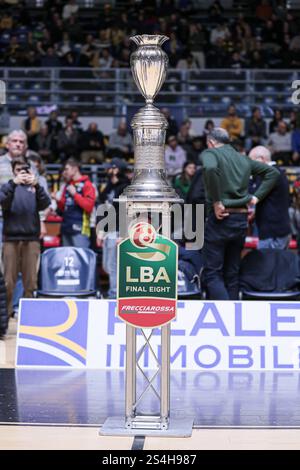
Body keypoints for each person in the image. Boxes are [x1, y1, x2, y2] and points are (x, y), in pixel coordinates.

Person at [201, 128, 279, 300]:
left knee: (212, 273)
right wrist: (256, 197)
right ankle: (234, 320)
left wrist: (216, 201)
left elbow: (210, 169)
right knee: (232, 273)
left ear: (211, 142)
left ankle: (225, 317)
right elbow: (272, 172)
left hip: (221, 218)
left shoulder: (210, 154)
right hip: (241, 219)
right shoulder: (243, 159)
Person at [0, 157, 51, 316]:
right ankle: (4, 321)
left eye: (25, 169)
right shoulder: (8, 187)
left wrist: (37, 186)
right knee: (8, 283)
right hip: (11, 240)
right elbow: (2, 201)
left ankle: (29, 320)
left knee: (31, 283)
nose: (22, 173)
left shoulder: (35, 187)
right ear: (13, 171)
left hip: (32, 240)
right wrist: (14, 183)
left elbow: (45, 204)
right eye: (19, 170)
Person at [97, 158, 130, 299]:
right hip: (108, 231)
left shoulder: (126, 187)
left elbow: (127, 212)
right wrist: (100, 231)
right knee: (107, 265)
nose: (107, 170)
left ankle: (114, 294)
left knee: (114, 265)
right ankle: (114, 292)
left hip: (118, 231)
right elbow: (103, 209)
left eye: (110, 167)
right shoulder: (109, 186)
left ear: (116, 169)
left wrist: (123, 234)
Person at [249, 146, 291, 249]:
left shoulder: (270, 173)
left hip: (273, 233)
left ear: (261, 159)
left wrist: (249, 176)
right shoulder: (275, 171)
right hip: (277, 231)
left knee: (265, 264)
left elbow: (253, 195)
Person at [56, 158, 96, 248]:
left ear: (75, 169)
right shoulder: (67, 185)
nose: (64, 172)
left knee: (80, 258)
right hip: (66, 228)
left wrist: (75, 194)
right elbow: (63, 208)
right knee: (67, 259)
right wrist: (58, 201)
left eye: (67, 169)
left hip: (80, 229)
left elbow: (89, 207)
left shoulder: (87, 184)